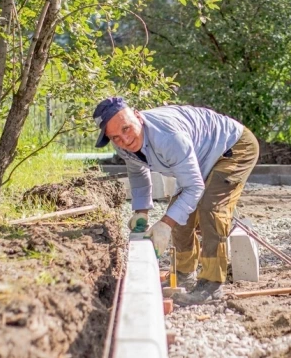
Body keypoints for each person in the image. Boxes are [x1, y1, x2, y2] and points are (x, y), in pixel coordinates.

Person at [92, 98, 259, 305]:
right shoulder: (123, 145)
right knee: (179, 216)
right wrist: (141, 211)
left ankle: (212, 284)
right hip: (201, 157)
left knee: (211, 209)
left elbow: (194, 187)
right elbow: (138, 172)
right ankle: (183, 275)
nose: (124, 140)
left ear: (137, 116)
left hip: (233, 147)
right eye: (115, 137)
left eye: (126, 129)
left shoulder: (167, 137)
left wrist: (165, 224)